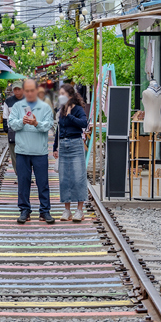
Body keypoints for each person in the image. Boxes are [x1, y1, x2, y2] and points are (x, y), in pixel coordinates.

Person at [8, 77, 55, 224]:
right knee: (23, 182)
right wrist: (21, 122)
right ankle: (24, 210)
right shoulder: (17, 107)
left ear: (36, 91)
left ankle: (45, 211)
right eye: (26, 90)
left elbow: (48, 125)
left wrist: (36, 123)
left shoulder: (45, 107)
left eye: (31, 90)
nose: (29, 93)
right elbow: (11, 123)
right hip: (22, 150)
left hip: (40, 151)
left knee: (43, 182)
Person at [53, 82, 89, 222]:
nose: (61, 97)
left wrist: (70, 116)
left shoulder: (78, 109)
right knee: (64, 179)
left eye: (63, 94)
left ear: (70, 95)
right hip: (63, 144)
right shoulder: (61, 110)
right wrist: (55, 147)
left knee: (78, 177)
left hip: (75, 144)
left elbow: (83, 124)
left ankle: (79, 210)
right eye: (60, 94)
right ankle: (67, 210)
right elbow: (58, 129)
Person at [2, 83, 23, 171]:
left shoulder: (28, 100)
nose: (17, 91)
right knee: (14, 154)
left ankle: (26, 174)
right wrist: (6, 129)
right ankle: (19, 174)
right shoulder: (8, 101)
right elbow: (5, 116)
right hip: (12, 131)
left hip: (25, 131)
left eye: (19, 89)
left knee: (26, 154)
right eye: (15, 89)